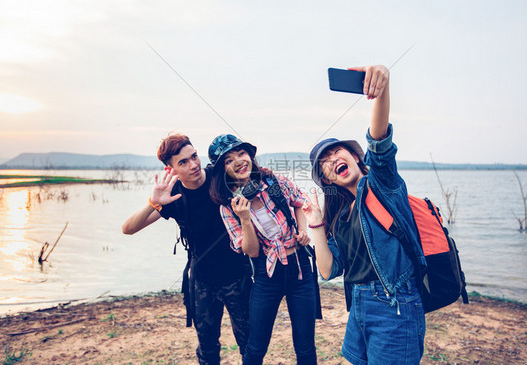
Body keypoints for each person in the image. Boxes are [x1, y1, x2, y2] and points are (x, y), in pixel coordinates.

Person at [302, 65, 427, 365]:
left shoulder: (382, 185)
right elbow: (328, 270)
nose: (333, 161)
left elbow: (380, 145)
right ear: (327, 181)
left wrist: (381, 86)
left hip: (394, 306)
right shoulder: (341, 217)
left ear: (355, 156)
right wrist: (316, 225)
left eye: (336, 153)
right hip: (358, 306)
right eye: (325, 166)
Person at [121, 134, 250, 365]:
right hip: (202, 282)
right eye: (183, 162)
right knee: (208, 350)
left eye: (194, 156)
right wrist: (154, 202)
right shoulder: (173, 197)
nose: (193, 165)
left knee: (249, 344)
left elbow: (252, 176)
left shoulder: (220, 178)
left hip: (237, 277)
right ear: (170, 169)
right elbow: (128, 228)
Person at [208, 134, 318, 365]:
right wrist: (245, 219)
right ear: (222, 170)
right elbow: (252, 252)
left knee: (305, 345)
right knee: (256, 346)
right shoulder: (228, 206)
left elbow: (300, 202)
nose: (238, 161)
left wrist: (302, 230)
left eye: (241, 153)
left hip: (300, 269)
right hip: (267, 275)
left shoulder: (274, 181)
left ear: (250, 156)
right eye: (228, 160)